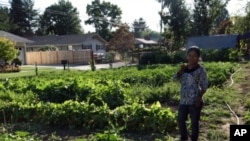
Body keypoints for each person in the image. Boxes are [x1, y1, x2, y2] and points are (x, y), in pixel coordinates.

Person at [174, 46, 208, 141]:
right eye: (189, 55)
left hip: (194, 101)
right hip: (183, 101)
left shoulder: (201, 69)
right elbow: (175, 78)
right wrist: (180, 71)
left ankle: (194, 139)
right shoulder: (184, 68)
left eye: (194, 56)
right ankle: (184, 138)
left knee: (194, 123)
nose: (191, 58)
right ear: (187, 56)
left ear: (198, 57)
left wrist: (199, 98)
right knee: (180, 120)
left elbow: (204, 85)